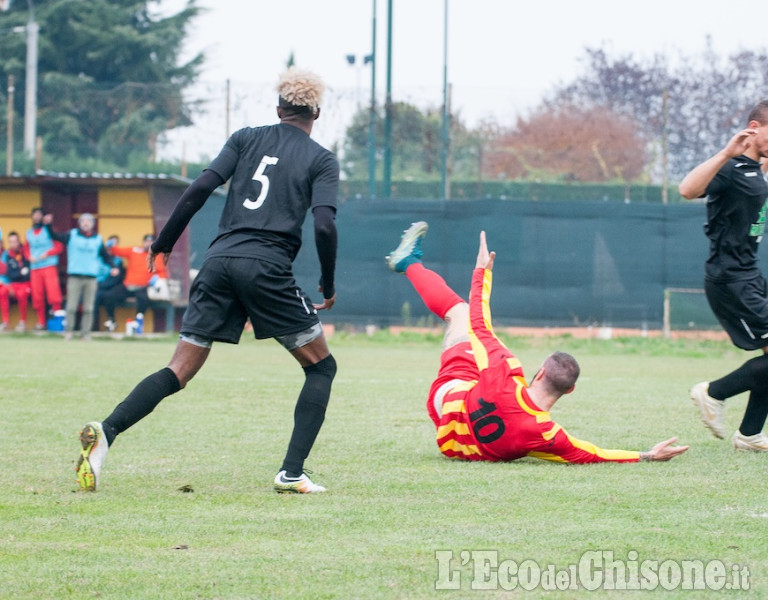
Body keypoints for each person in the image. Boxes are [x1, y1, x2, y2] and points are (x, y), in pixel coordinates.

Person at [75, 67, 339, 494]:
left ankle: (107, 430)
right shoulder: (321, 159)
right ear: (317, 114)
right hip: (266, 266)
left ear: (278, 109)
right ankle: (291, 473)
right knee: (322, 366)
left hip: (218, 262)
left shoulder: (245, 137)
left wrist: (162, 242)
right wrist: (327, 283)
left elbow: (200, 188)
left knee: (178, 369)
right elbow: (324, 225)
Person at [386, 222, 689, 463]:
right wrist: (647, 456)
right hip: (453, 444)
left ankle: (409, 262)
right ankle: (410, 262)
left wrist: (481, 273)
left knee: (462, 314)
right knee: (483, 353)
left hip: (449, 399)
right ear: (570, 390)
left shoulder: (506, 372)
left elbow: (480, 325)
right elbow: (592, 453)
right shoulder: (546, 435)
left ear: (540, 372)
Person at [679, 100, 768, 452]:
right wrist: (726, 151)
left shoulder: (757, 169)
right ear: (754, 127)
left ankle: (749, 435)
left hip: (748, 274)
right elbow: (687, 189)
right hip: (730, 279)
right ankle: (713, 393)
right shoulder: (730, 169)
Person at [44, 213, 111, 341]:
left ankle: (85, 334)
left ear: (92, 224)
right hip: (75, 276)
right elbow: (54, 236)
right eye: (83, 221)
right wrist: (48, 225)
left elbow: (104, 255)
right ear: (79, 223)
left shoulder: (97, 239)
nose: (86, 223)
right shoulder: (72, 235)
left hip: (91, 277)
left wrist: (113, 266)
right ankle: (68, 332)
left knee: (88, 308)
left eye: (88, 221)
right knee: (71, 307)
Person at [110, 233, 168, 326]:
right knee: (110, 295)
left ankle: (137, 322)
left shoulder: (156, 256)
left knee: (144, 300)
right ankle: (112, 321)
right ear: (143, 242)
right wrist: (112, 245)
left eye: (151, 242)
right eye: (146, 242)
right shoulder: (135, 250)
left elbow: (162, 272)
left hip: (143, 287)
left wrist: (158, 279)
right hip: (128, 286)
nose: (148, 244)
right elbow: (118, 251)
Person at [25, 207, 64, 331]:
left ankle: (58, 321)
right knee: (37, 296)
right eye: (34, 215)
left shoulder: (50, 230)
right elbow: (26, 249)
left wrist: (48, 253)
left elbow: (59, 247)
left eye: (39, 215)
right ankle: (41, 322)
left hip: (49, 266)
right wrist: (28, 256)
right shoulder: (29, 233)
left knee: (54, 294)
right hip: (35, 267)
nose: (36, 217)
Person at [93, 235, 127, 332]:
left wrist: (101, 285)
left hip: (110, 287)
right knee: (95, 297)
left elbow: (117, 278)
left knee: (108, 296)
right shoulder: (98, 258)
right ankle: (93, 326)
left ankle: (111, 320)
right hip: (97, 286)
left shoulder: (118, 260)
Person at [0, 231, 32, 332]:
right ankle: (6, 322)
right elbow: (10, 273)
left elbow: (26, 272)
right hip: (12, 284)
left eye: (15, 241)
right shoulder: (9, 254)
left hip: (24, 284)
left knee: (21, 294)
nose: (13, 244)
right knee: (2, 292)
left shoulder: (25, 252)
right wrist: (19, 274)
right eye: (11, 242)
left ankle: (23, 322)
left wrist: (17, 275)